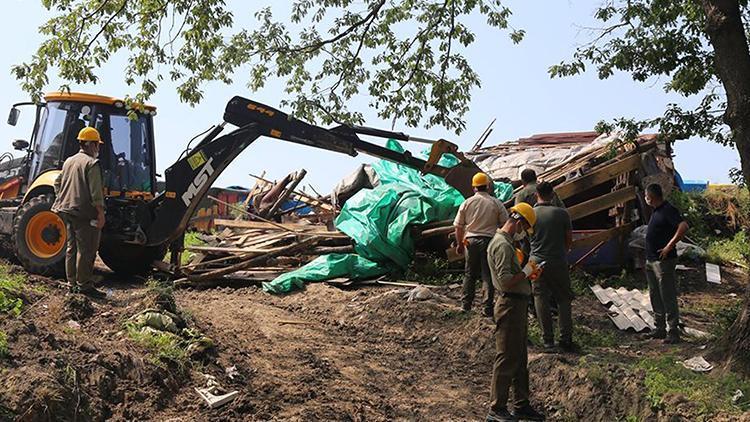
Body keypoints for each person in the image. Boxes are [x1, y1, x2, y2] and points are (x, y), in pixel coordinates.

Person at [486, 203, 545, 422]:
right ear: (518, 222)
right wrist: (526, 272)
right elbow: (505, 281)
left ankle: (521, 404)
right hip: (509, 306)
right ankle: (497, 408)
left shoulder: (507, 243)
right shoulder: (502, 245)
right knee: (507, 357)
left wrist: (527, 274)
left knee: (519, 358)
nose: (524, 234)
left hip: (516, 305)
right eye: (525, 228)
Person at [52, 127, 107, 298]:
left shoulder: (69, 161)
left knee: (71, 248)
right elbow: (96, 193)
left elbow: (57, 183)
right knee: (87, 249)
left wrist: (63, 197)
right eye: (97, 144)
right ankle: (84, 286)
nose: (98, 148)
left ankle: (72, 284)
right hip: (84, 213)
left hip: (67, 210)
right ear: (90, 144)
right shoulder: (91, 163)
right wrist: (100, 213)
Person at [454, 172, 509, 316]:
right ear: (488, 186)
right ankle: (487, 307)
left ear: (474, 188)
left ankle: (465, 305)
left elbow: (458, 227)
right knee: (488, 274)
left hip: (470, 241)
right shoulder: (496, 203)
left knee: (469, 274)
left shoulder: (467, 203)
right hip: (489, 241)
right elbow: (505, 225)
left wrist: (459, 244)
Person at [530, 182, 575, 352]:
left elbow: (524, 237)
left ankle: (547, 340)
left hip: (535, 261)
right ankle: (566, 339)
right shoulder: (562, 214)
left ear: (537, 195)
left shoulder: (531, 214)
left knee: (540, 298)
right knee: (563, 299)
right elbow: (569, 240)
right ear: (552, 194)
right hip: (557, 260)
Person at [643, 183, 689, 344]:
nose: (645, 198)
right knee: (655, 294)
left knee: (667, 294)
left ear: (652, 197)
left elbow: (683, 226)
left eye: (646, 195)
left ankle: (673, 330)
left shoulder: (668, 209)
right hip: (651, 260)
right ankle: (659, 328)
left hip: (663, 261)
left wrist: (669, 246)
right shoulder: (656, 211)